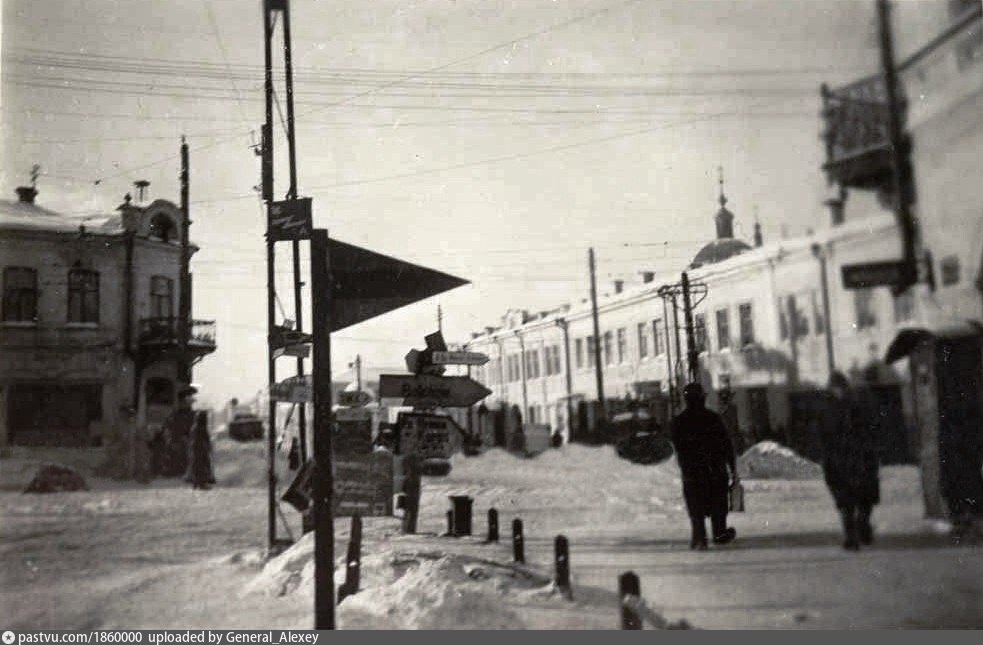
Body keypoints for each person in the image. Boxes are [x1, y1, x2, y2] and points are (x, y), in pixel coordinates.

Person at [670, 382, 739, 550]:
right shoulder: (713, 419)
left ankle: (699, 536)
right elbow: (726, 445)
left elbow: (675, 448)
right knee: (718, 505)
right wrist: (732, 467)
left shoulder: (679, 422)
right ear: (702, 398)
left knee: (695, 506)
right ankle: (719, 533)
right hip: (714, 470)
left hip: (691, 472)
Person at [820, 371, 879, 551]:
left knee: (854, 501)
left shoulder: (834, 409)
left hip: (849, 460)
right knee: (852, 501)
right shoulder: (833, 408)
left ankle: (857, 532)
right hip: (846, 461)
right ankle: (857, 533)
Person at [162, 386, 196, 477]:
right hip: (180, 440)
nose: (191, 400)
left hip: (187, 440)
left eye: (191, 398)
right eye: (188, 398)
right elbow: (170, 426)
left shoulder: (192, 414)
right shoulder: (177, 414)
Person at [185, 410, 216, 490]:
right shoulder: (201, 428)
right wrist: (208, 447)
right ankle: (202, 484)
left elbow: (192, 440)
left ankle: (196, 483)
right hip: (201, 450)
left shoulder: (194, 427)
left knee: (196, 466)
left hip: (195, 450)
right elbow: (205, 439)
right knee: (202, 466)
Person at [401, 451, 422, 534]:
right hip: (412, 490)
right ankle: (409, 529)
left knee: (408, 511)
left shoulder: (409, 472)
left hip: (410, 490)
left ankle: (407, 528)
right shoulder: (414, 472)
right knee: (411, 510)